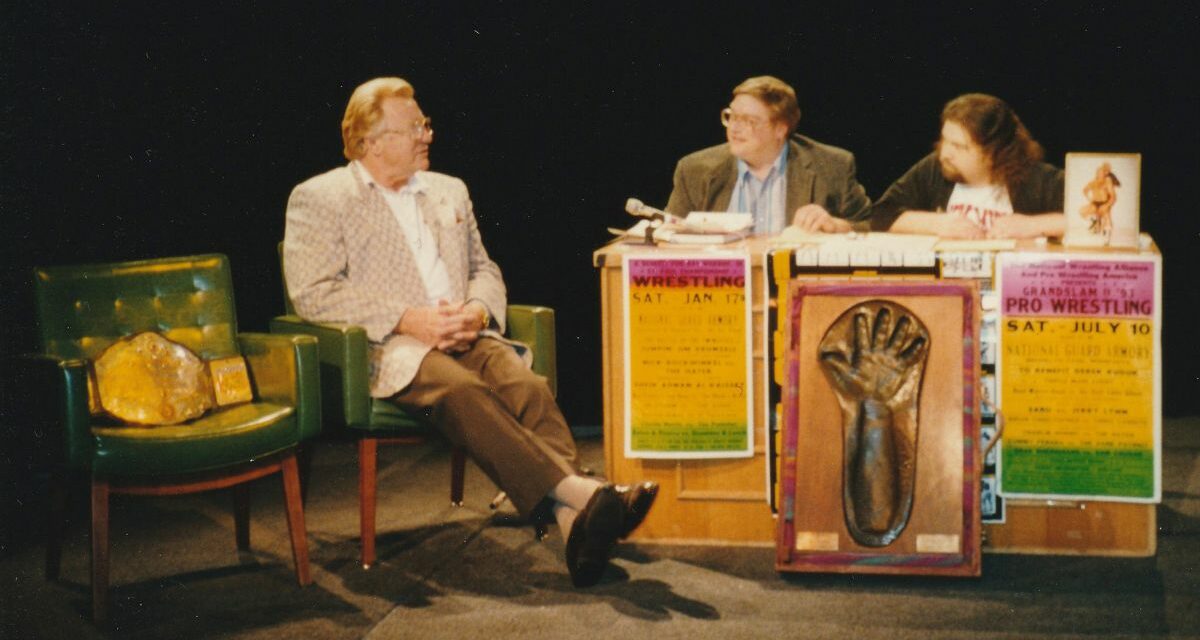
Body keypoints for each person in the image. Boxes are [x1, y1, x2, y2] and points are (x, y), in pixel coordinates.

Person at [283, 77, 657, 588]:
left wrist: (478, 313)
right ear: (370, 142)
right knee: (462, 392)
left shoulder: (448, 189)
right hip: (389, 346)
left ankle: (575, 524)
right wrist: (408, 319)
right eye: (414, 126)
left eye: (426, 123)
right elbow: (313, 291)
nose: (426, 135)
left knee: (527, 387)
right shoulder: (321, 197)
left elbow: (485, 267)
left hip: (466, 333)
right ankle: (584, 493)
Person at [665, 75, 871, 234]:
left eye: (749, 121)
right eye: (732, 116)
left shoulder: (831, 166)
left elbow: (870, 225)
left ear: (780, 129)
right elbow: (667, 233)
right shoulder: (694, 169)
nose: (735, 128)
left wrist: (835, 225)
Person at [871, 93, 1065, 239]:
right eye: (945, 140)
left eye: (958, 146)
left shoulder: (1037, 179)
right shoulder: (935, 168)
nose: (945, 153)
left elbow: (1090, 221)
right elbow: (881, 215)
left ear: (992, 153)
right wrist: (937, 223)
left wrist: (1033, 225)